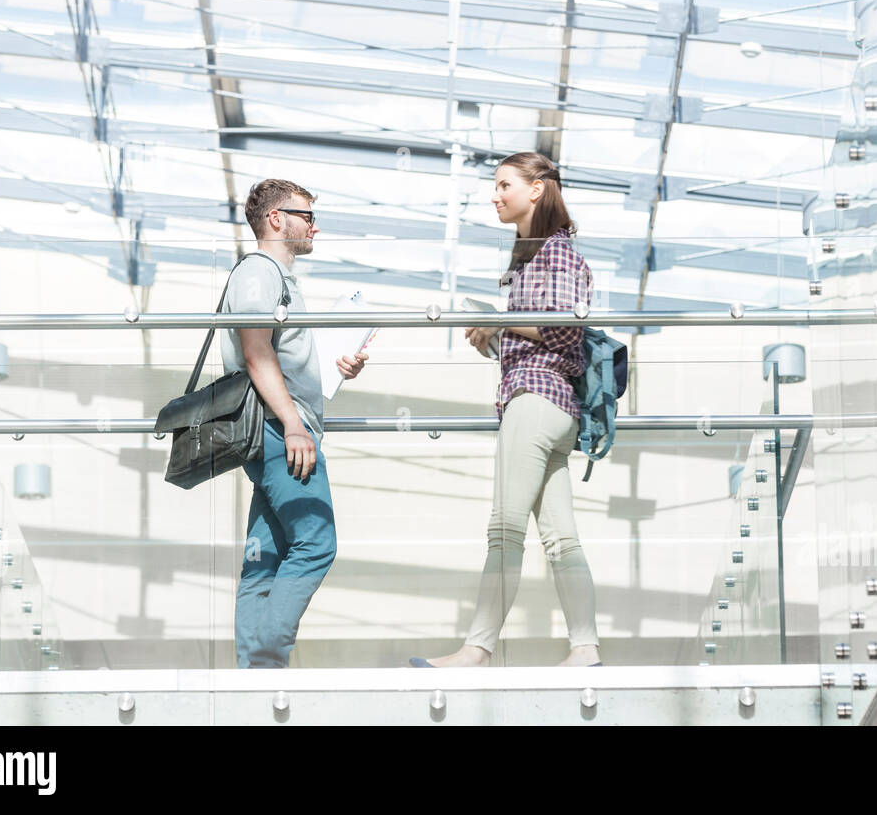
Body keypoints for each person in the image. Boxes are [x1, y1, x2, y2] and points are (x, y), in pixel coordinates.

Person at [412, 152, 602, 668]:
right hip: (552, 407)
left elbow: (564, 329)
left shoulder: (555, 254)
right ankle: (585, 649)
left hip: (536, 403)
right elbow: (547, 335)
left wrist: (500, 322)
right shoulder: (537, 256)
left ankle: (476, 649)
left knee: (504, 530)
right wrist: (497, 333)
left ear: (537, 189)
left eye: (503, 185)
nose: (495, 195)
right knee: (561, 539)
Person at [222, 178, 369, 668]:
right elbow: (255, 351)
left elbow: (278, 357)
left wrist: (334, 368)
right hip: (278, 429)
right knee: (316, 542)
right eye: (306, 215)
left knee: (265, 558)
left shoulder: (277, 279)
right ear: (275, 218)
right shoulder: (258, 272)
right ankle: (266, 661)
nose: (314, 226)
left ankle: (252, 674)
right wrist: (293, 425)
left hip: (277, 425)